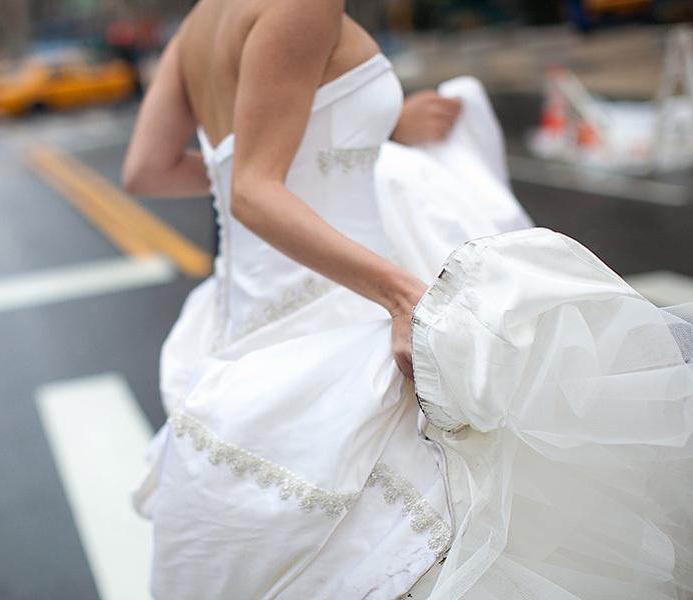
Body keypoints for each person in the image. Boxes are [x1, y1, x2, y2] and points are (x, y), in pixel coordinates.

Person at [122, 0, 693, 598]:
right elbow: (254, 192)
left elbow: (149, 170)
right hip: (340, 307)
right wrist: (400, 296)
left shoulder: (196, 26)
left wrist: (326, 149)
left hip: (242, 323)